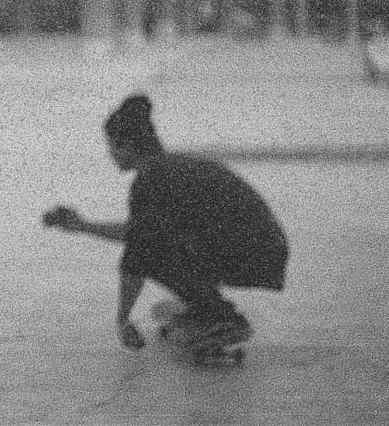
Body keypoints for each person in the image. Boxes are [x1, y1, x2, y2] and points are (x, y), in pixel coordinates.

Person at [42, 94, 289, 350]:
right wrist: (83, 226)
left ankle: (217, 316)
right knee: (156, 242)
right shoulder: (168, 168)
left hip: (255, 255)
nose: (110, 154)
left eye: (111, 146)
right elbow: (140, 231)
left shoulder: (152, 178)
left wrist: (122, 319)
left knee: (148, 251)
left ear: (126, 145)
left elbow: (138, 250)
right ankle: (206, 307)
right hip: (263, 250)